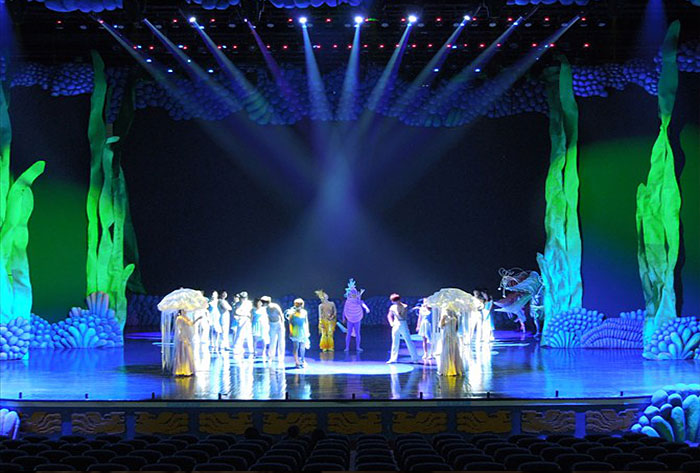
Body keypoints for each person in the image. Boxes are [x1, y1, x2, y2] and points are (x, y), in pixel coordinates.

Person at [386, 293, 419, 364]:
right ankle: (393, 359)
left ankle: (415, 358)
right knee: (395, 341)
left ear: (398, 300)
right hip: (395, 324)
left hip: (403, 324)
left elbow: (402, 317)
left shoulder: (404, 306)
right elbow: (389, 315)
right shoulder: (392, 307)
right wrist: (391, 323)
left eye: (394, 301)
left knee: (408, 341)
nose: (393, 302)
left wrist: (396, 313)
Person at [342, 278, 370, 352]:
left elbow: (362, 303)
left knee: (357, 333)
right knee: (349, 333)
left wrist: (366, 308)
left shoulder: (357, 300)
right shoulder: (348, 301)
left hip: (357, 317)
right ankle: (347, 347)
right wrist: (343, 317)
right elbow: (345, 309)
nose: (353, 294)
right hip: (350, 318)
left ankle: (358, 347)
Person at [438, 304, 464, 376]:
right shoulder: (447, 313)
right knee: (449, 350)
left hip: (451, 334)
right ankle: (449, 368)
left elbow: (457, 326)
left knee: (452, 350)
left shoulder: (453, 313)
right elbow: (441, 325)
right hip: (449, 334)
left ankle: (452, 368)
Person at [286, 298, 310, 368]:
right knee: (296, 346)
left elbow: (306, 322)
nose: (298, 306)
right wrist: (291, 332)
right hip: (295, 331)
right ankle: (297, 362)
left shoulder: (304, 312)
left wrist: (307, 331)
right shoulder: (291, 313)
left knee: (303, 346)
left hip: (303, 330)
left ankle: (302, 360)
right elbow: (290, 323)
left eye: (300, 304)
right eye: (297, 304)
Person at [262, 296, 285, 362]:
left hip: (279, 324)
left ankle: (281, 357)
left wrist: (282, 324)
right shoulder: (265, 308)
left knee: (281, 340)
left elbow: (281, 315)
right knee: (272, 340)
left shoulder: (275, 306)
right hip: (272, 325)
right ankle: (271, 356)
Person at [173, 310, 196, 376]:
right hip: (183, 336)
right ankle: (181, 369)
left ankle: (188, 369)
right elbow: (179, 326)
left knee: (187, 352)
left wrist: (197, 319)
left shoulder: (186, 318)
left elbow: (191, 324)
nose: (185, 311)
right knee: (183, 351)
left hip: (187, 336)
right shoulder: (180, 318)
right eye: (183, 310)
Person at [232, 291, 254, 355]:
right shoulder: (237, 304)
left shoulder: (250, 303)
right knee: (240, 335)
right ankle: (237, 349)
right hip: (241, 319)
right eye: (242, 297)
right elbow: (235, 312)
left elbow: (252, 312)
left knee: (249, 335)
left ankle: (251, 350)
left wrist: (250, 318)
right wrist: (239, 317)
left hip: (248, 320)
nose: (243, 299)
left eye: (244, 297)